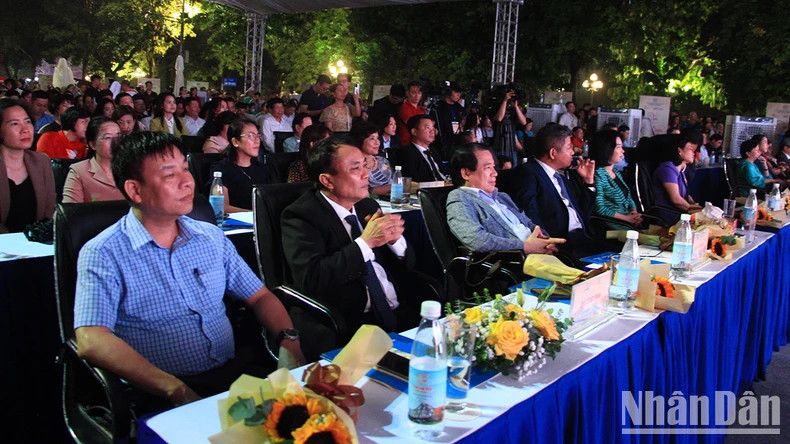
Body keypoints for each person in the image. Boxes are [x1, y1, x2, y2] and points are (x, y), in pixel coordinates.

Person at [73, 131, 305, 408]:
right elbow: (91, 338)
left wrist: (289, 341)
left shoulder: (210, 237)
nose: (187, 182)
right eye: (170, 175)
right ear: (135, 190)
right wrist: (175, 390)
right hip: (158, 392)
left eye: (185, 168)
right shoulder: (104, 252)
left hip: (231, 377)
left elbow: (260, 296)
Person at [281, 135, 423, 333]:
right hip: (348, 323)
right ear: (327, 180)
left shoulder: (368, 205)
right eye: (356, 168)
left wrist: (395, 241)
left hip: (399, 311)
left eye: (365, 166)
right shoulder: (302, 215)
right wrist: (365, 243)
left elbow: (408, 263)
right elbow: (312, 279)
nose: (366, 175)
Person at [498, 124, 603, 262]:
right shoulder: (527, 174)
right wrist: (547, 242)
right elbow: (530, 215)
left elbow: (583, 213)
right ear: (553, 153)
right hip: (561, 245)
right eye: (569, 148)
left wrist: (588, 181)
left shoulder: (561, 178)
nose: (573, 152)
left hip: (583, 238)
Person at [446, 143, 564, 254]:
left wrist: (546, 242)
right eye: (487, 168)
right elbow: (475, 238)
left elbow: (528, 223)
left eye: (493, 167)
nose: (495, 173)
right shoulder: (459, 198)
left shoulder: (502, 197)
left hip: (539, 255)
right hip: (514, 262)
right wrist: (525, 246)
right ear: (466, 173)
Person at [0, 100, 55, 233]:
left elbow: (49, 210)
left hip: (34, 245)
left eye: (28, 122)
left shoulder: (41, 161)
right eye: (15, 124)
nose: (25, 130)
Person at [209, 118, 270, 212]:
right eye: (251, 136)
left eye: (258, 136)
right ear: (235, 142)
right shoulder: (221, 169)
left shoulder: (263, 169)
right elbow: (221, 207)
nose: (257, 141)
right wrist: (255, 215)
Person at [588, 129, 642, 229]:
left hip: (627, 224)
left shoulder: (616, 173)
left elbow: (628, 197)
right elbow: (600, 208)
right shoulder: (598, 174)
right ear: (607, 149)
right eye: (618, 147)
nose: (623, 150)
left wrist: (633, 212)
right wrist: (626, 218)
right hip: (613, 226)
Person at [62, 117, 125, 203]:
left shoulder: (133, 168)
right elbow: (70, 212)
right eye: (108, 138)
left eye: (118, 136)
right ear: (92, 144)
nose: (116, 142)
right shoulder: (79, 171)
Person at [651, 135, 699, 223]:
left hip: (680, 215)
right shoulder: (667, 168)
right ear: (679, 150)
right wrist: (697, 212)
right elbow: (676, 200)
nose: (693, 153)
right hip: (669, 217)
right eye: (690, 149)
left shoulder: (680, 171)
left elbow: (686, 196)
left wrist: (696, 206)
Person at [399, 115, 448, 183]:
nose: (432, 131)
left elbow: (444, 173)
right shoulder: (407, 153)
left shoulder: (433, 151)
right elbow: (413, 181)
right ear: (414, 132)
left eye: (433, 128)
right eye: (427, 127)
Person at [351, 120, 391, 196]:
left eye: (377, 138)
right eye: (372, 139)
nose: (377, 142)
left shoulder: (383, 161)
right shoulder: (354, 164)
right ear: (360, 140)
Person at [435, 82, 465, 157]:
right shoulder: (439, 106)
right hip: (442, 142)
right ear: (448, 91)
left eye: (460, 92)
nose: (458, 95)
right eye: (456, 92)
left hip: (456, 141)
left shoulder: (458, 107)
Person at [396, 81, 426, 146]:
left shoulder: (422, 109)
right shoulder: (404, 107)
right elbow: (411, 123)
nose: (417, 95)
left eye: (419, 93)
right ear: (407, 93)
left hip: (420, 143)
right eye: (413, 92)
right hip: (407, 142)